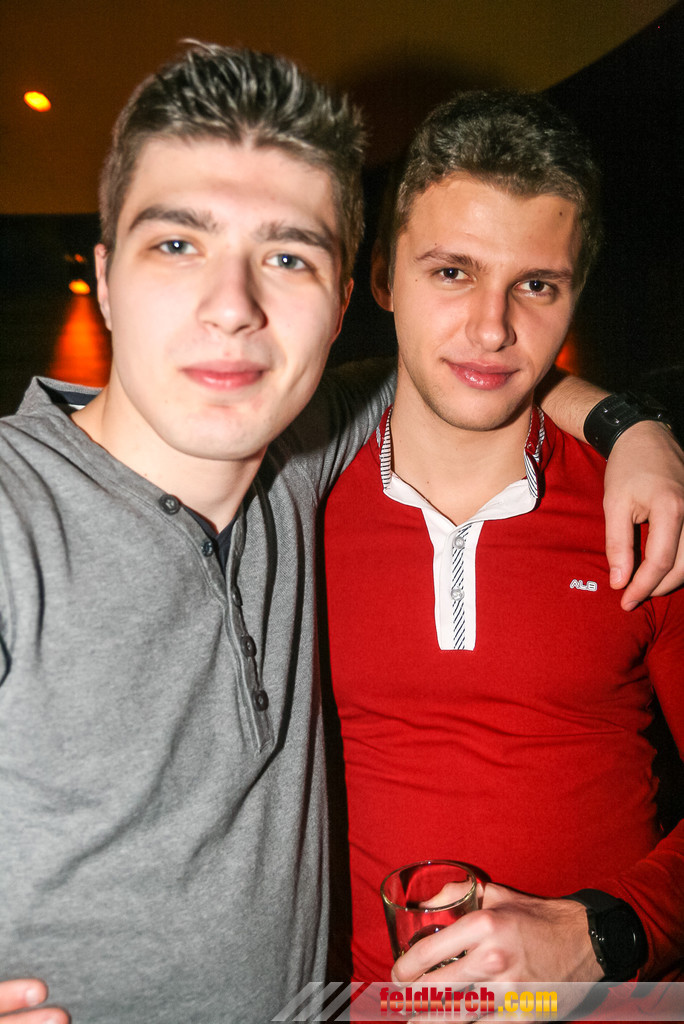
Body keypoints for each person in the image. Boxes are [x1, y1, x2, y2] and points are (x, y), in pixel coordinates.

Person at [1, 49, 683, 1024]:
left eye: (288, 258)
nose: (233, 308)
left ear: (336, 302)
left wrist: (632, 427)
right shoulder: (44, 509)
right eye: (178, 244)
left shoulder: (310, 457)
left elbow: (470, 368)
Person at [322, 90, 684, 1005]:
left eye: (537, 286)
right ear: (383, 277)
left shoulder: (648, 507)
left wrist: (599, 935)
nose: (492, 328)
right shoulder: (289, 500)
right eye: (452, 271)